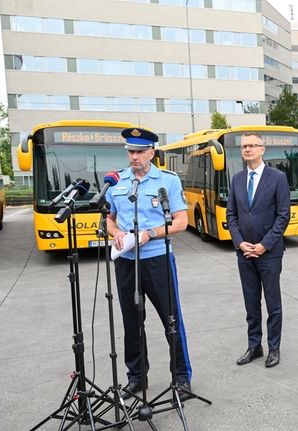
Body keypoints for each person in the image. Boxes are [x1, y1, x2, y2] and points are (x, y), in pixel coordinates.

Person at [105, 127, 192, 398]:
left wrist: (150, 234)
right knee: (131, 323)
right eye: (130, 151)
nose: (134, 157)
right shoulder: (116, 182)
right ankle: (136, 376)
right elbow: (108, 217)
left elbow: (181, 222)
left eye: (140, 151)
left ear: (152, 152)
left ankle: (181, 378)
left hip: (157, 260)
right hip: (126, 262)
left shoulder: (168, 181)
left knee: (171, 320)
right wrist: (116, 232)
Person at [226, 132, 290, 368]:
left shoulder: (277, 178)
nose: (248, 149)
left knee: (273, 305)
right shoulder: (237, 179)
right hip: (244, 252)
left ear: (263, 149)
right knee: (251, 304)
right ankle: (255, 346)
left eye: (253, 145)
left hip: (269, 253)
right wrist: (239, 242)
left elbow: (283, 216)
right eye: (244, 146)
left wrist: (264, 245)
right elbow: (231, 214)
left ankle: (274, 348)